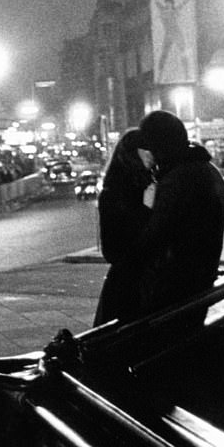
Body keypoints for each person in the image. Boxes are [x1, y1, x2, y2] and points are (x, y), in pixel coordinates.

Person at [134, 110, 224, 318]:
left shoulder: (179, 179)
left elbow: (155, 237)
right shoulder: (206, 170)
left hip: (174, 289)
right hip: (199, 281)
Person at [93, 128, 156, 326]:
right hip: (128, 289)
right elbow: (112, 252)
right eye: (146, 150)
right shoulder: (113, 194)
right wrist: (146, 209)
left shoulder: (154, 184)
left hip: (150, 286)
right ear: (132, 154)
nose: (152, 156)